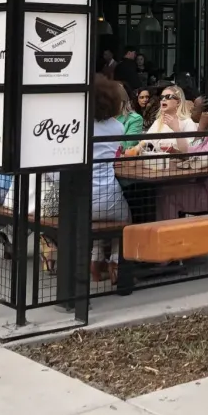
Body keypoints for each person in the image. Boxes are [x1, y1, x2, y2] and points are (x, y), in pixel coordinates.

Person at [154, 92, 208, 222]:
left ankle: (168, 237)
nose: (191, 108)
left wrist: (198, 129)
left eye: (195, 107)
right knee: (165, 190)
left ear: (206, 113)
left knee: (166, 195)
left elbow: (196, 156)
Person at [86, 78, 133, 283]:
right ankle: (115, 262)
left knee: (99, 223)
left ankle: (95, 262)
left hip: (80, 199)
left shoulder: (79, 125)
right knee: (125, 221)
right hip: (108, 196)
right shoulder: (117, 128)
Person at [139, 84, 196, 154]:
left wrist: (176, 129)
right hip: (159, 162)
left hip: (179, 163)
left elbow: (188, 151)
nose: (163, 99)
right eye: (162, 97)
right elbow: (146, 140)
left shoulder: (188, 122)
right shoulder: (158, 121)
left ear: (178, 102)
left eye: (168, 97)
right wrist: (135, 149)